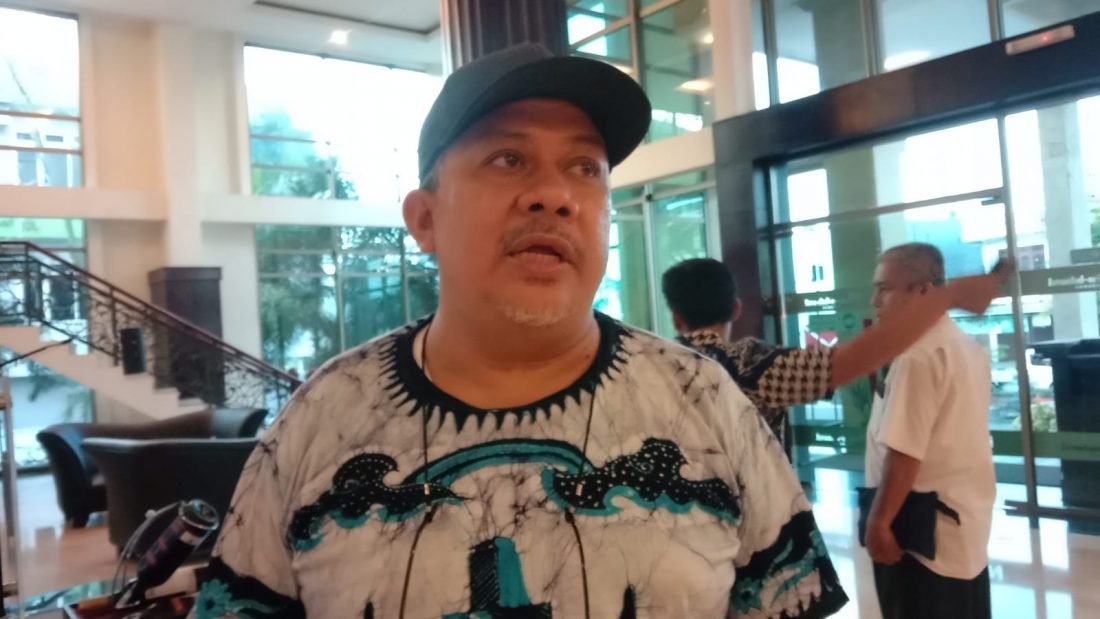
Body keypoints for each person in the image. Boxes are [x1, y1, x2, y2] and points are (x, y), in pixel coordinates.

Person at [194, 44, 848, 618]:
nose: (554, 195)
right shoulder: (324, 415)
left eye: (585, 168)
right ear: (425, 219)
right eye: (508, 158)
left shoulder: (705, 400)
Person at [662, 258, 1009, 459]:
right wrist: (948, 297)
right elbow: (855, 359)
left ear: (676, 318)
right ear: (736, 309)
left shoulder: (649, 367)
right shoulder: (753, 367)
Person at [864, 243, 995, 619]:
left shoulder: (917, 357)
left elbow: (905, 451)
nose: (875, 301)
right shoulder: (968, 349)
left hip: (920, 538)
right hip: (964, 530)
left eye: (884, 289)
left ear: (923, 291)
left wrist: (879, 522)